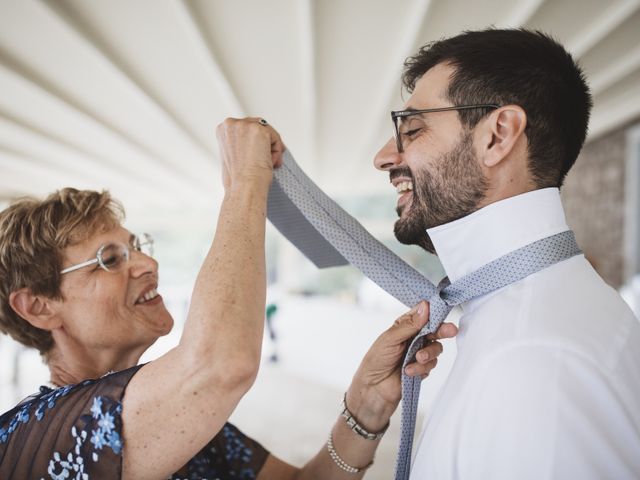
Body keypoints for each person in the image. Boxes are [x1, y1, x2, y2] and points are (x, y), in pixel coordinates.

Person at [0, 117, 456, 479]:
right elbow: (220, 365)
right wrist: (245, 183)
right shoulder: (29, 441)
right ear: (38, 306)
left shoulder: (194, 428)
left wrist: (366, 402)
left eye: (136, 246)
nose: (147, 264)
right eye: (110, 258)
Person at [373, 28, 640, 479]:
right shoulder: (534, 321)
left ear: (498, 136)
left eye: (413, 129)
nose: (383, 157)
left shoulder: (535, 363)